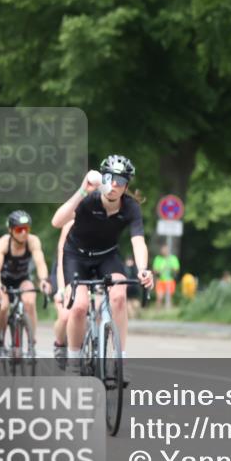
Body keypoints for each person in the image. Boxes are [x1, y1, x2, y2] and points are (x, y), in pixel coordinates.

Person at [51, 155, 154, 370]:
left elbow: (138, 242)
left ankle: (120, 359)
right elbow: (57, 221)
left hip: (107, 256)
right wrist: (82, 191)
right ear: (103, 179)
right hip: (76, 256)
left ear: (127, 186)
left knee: (118, 296)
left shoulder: (131, 207)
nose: (115, 185)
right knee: (78, 307)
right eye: (110, 178)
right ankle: (74, 360)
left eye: (121, 181)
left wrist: (143, 269)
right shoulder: (89, 200)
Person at [0, 210, 53, 357]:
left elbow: (40, 263)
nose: (24, 233)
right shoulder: (3, 244)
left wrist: (43, 280)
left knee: (29, 301)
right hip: (3, 281)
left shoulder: (33, 241)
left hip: (22, 279)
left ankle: (31, 341)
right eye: (19, 229)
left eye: (27, 228)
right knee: (3, 307)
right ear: (10, 230)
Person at [52, 220, 73, 365]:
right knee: (65, 316)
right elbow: (61, 263)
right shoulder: (69, 225)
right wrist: (61, 289)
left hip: (93, 270)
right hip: (67, 271)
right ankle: (60, 343)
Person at [152, 243, 180, 308]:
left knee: (169, 299)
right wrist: (161, 270)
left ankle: (168, 312)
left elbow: (177, 269)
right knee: (159, 298)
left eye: (166, 249)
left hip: (170, 280)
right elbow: (154, 270)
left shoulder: (173, 258)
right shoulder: (158, 258)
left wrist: (170, 268)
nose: (164, 251)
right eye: (163, 249)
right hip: (160, 280)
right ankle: (157, 312)